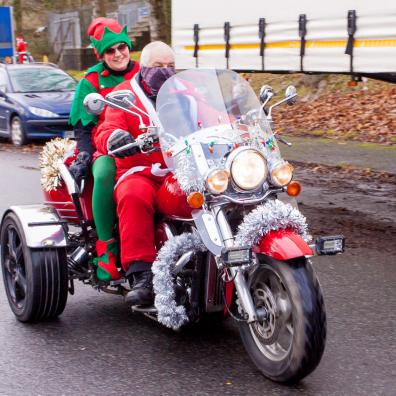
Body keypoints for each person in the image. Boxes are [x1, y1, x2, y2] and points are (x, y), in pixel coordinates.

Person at [95, 41, 176, 305]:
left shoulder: (184, 91)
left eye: (170, 66)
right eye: (157, 66)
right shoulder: (124, 93)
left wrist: (238, 126)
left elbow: (211, 115)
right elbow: (107, 128)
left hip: (182, 167)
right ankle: (141, 274)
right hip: (138, 170)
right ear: (143, 67)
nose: (165, 71)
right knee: (133, 195)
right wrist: (115, 138)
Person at [68, 18, 140, 282]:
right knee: (104, 173)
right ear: (101, 54)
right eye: (110, 50)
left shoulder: (145, 72)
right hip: (107, 145)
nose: (118, 54)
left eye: (122, 47)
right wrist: (85, 155)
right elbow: (83, 129)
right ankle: (107, 249)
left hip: (149, 142)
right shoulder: (91, 81)